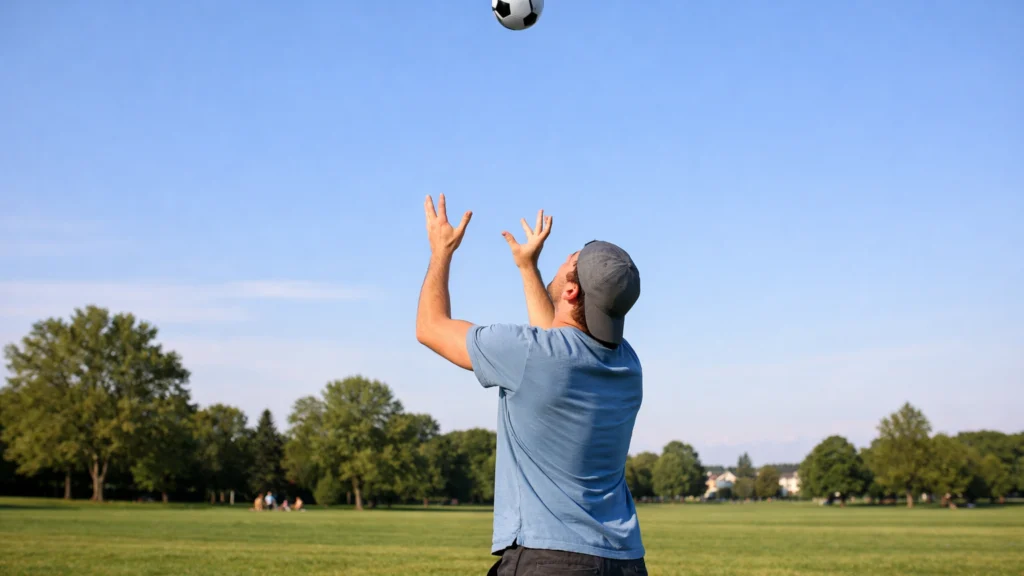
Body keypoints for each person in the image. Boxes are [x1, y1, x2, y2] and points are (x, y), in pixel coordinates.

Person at [416, 195, 646, 575]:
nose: (564, 260)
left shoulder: (529, 354)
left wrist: (442, 250)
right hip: (625, 562)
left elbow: (430, 326)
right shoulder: (628, 365)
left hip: (549, 559)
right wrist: (527, 268)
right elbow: (555, 341)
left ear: (571, 292)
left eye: (569, 261)